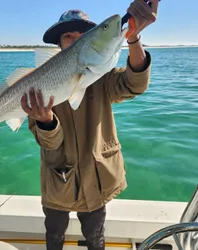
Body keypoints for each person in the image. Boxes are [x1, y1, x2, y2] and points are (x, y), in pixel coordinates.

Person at [21, 1, 159, 249]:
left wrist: (134, 38)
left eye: (82, 36)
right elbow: (48, 141)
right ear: (59, 43)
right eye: (68, 35)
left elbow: (134, 84)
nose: (75, 40)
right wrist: (46, 120)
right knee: (54, 236)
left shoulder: (103, 76)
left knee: (96, 237)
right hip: (57, 180)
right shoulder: (40, 84)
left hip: (97, 179)